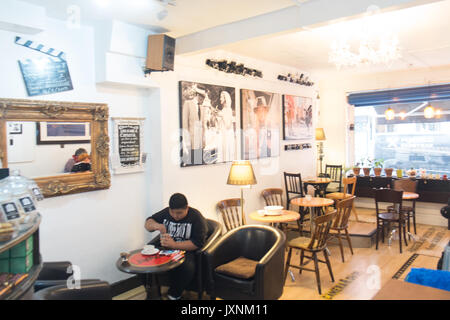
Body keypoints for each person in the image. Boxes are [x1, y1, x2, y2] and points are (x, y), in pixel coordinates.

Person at [144, 193, 207, 300]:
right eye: (172, 212)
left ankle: (174, 294)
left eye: (179, 213)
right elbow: (148, 222)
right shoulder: (166, 212)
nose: (175, 215)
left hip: (186, 250)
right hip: (164, 248)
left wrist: (174, 245)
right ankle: (153, 293)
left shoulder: (196, 217)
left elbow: (197, 243)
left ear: (186, 208)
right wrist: (156, 225)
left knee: (187, 267)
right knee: (144, 259)